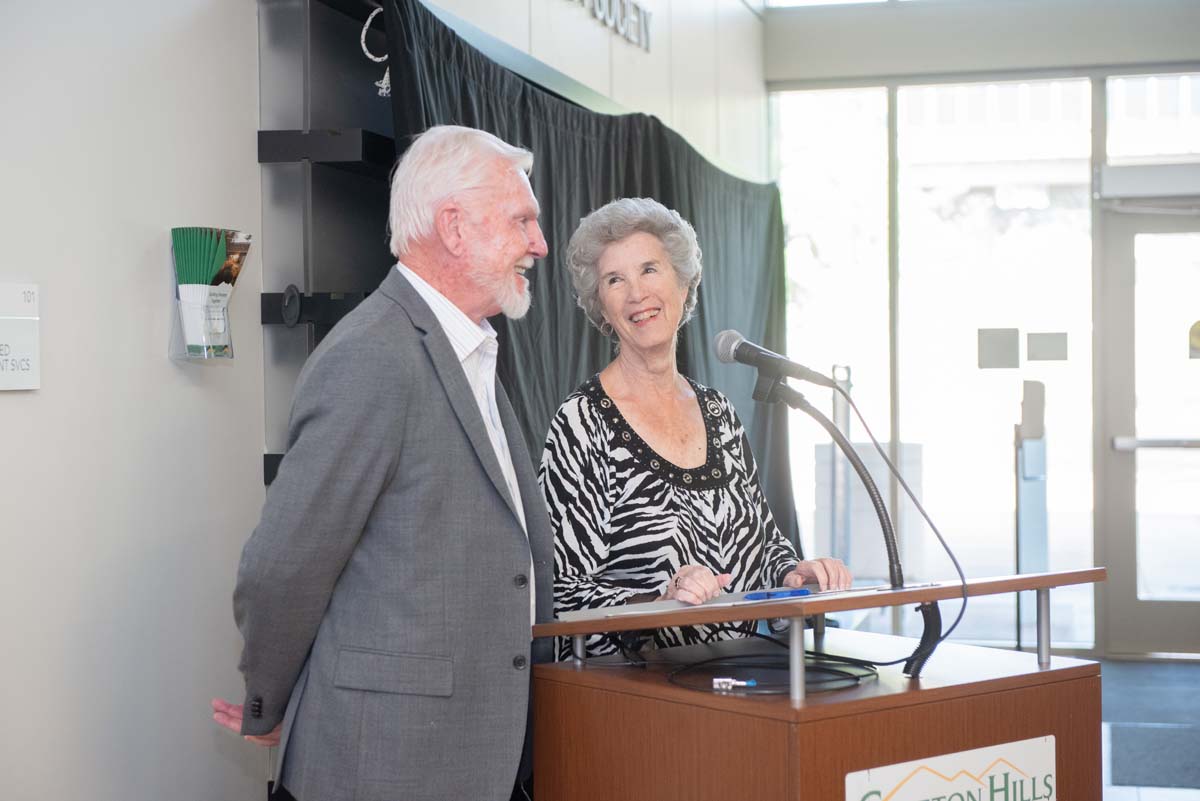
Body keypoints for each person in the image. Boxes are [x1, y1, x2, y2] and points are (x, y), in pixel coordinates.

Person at [211, 125, 553, 801]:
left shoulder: (470, 352)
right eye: (521, 220)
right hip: (386, 763)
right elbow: (284, 565)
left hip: (476, 758)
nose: (538, 243)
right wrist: (268, 698)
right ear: (454, 228)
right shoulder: (373, 356)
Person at [540, 197, 851, 658]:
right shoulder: (582, 422)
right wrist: (660, 600)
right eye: (614, 279)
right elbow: (559, 591)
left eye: (649, 269)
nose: (636, 294)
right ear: (601, 308)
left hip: (742, 680)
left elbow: (762, 545)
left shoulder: (719, 413)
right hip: (631, 695)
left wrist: (795, 574)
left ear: (683, 285)